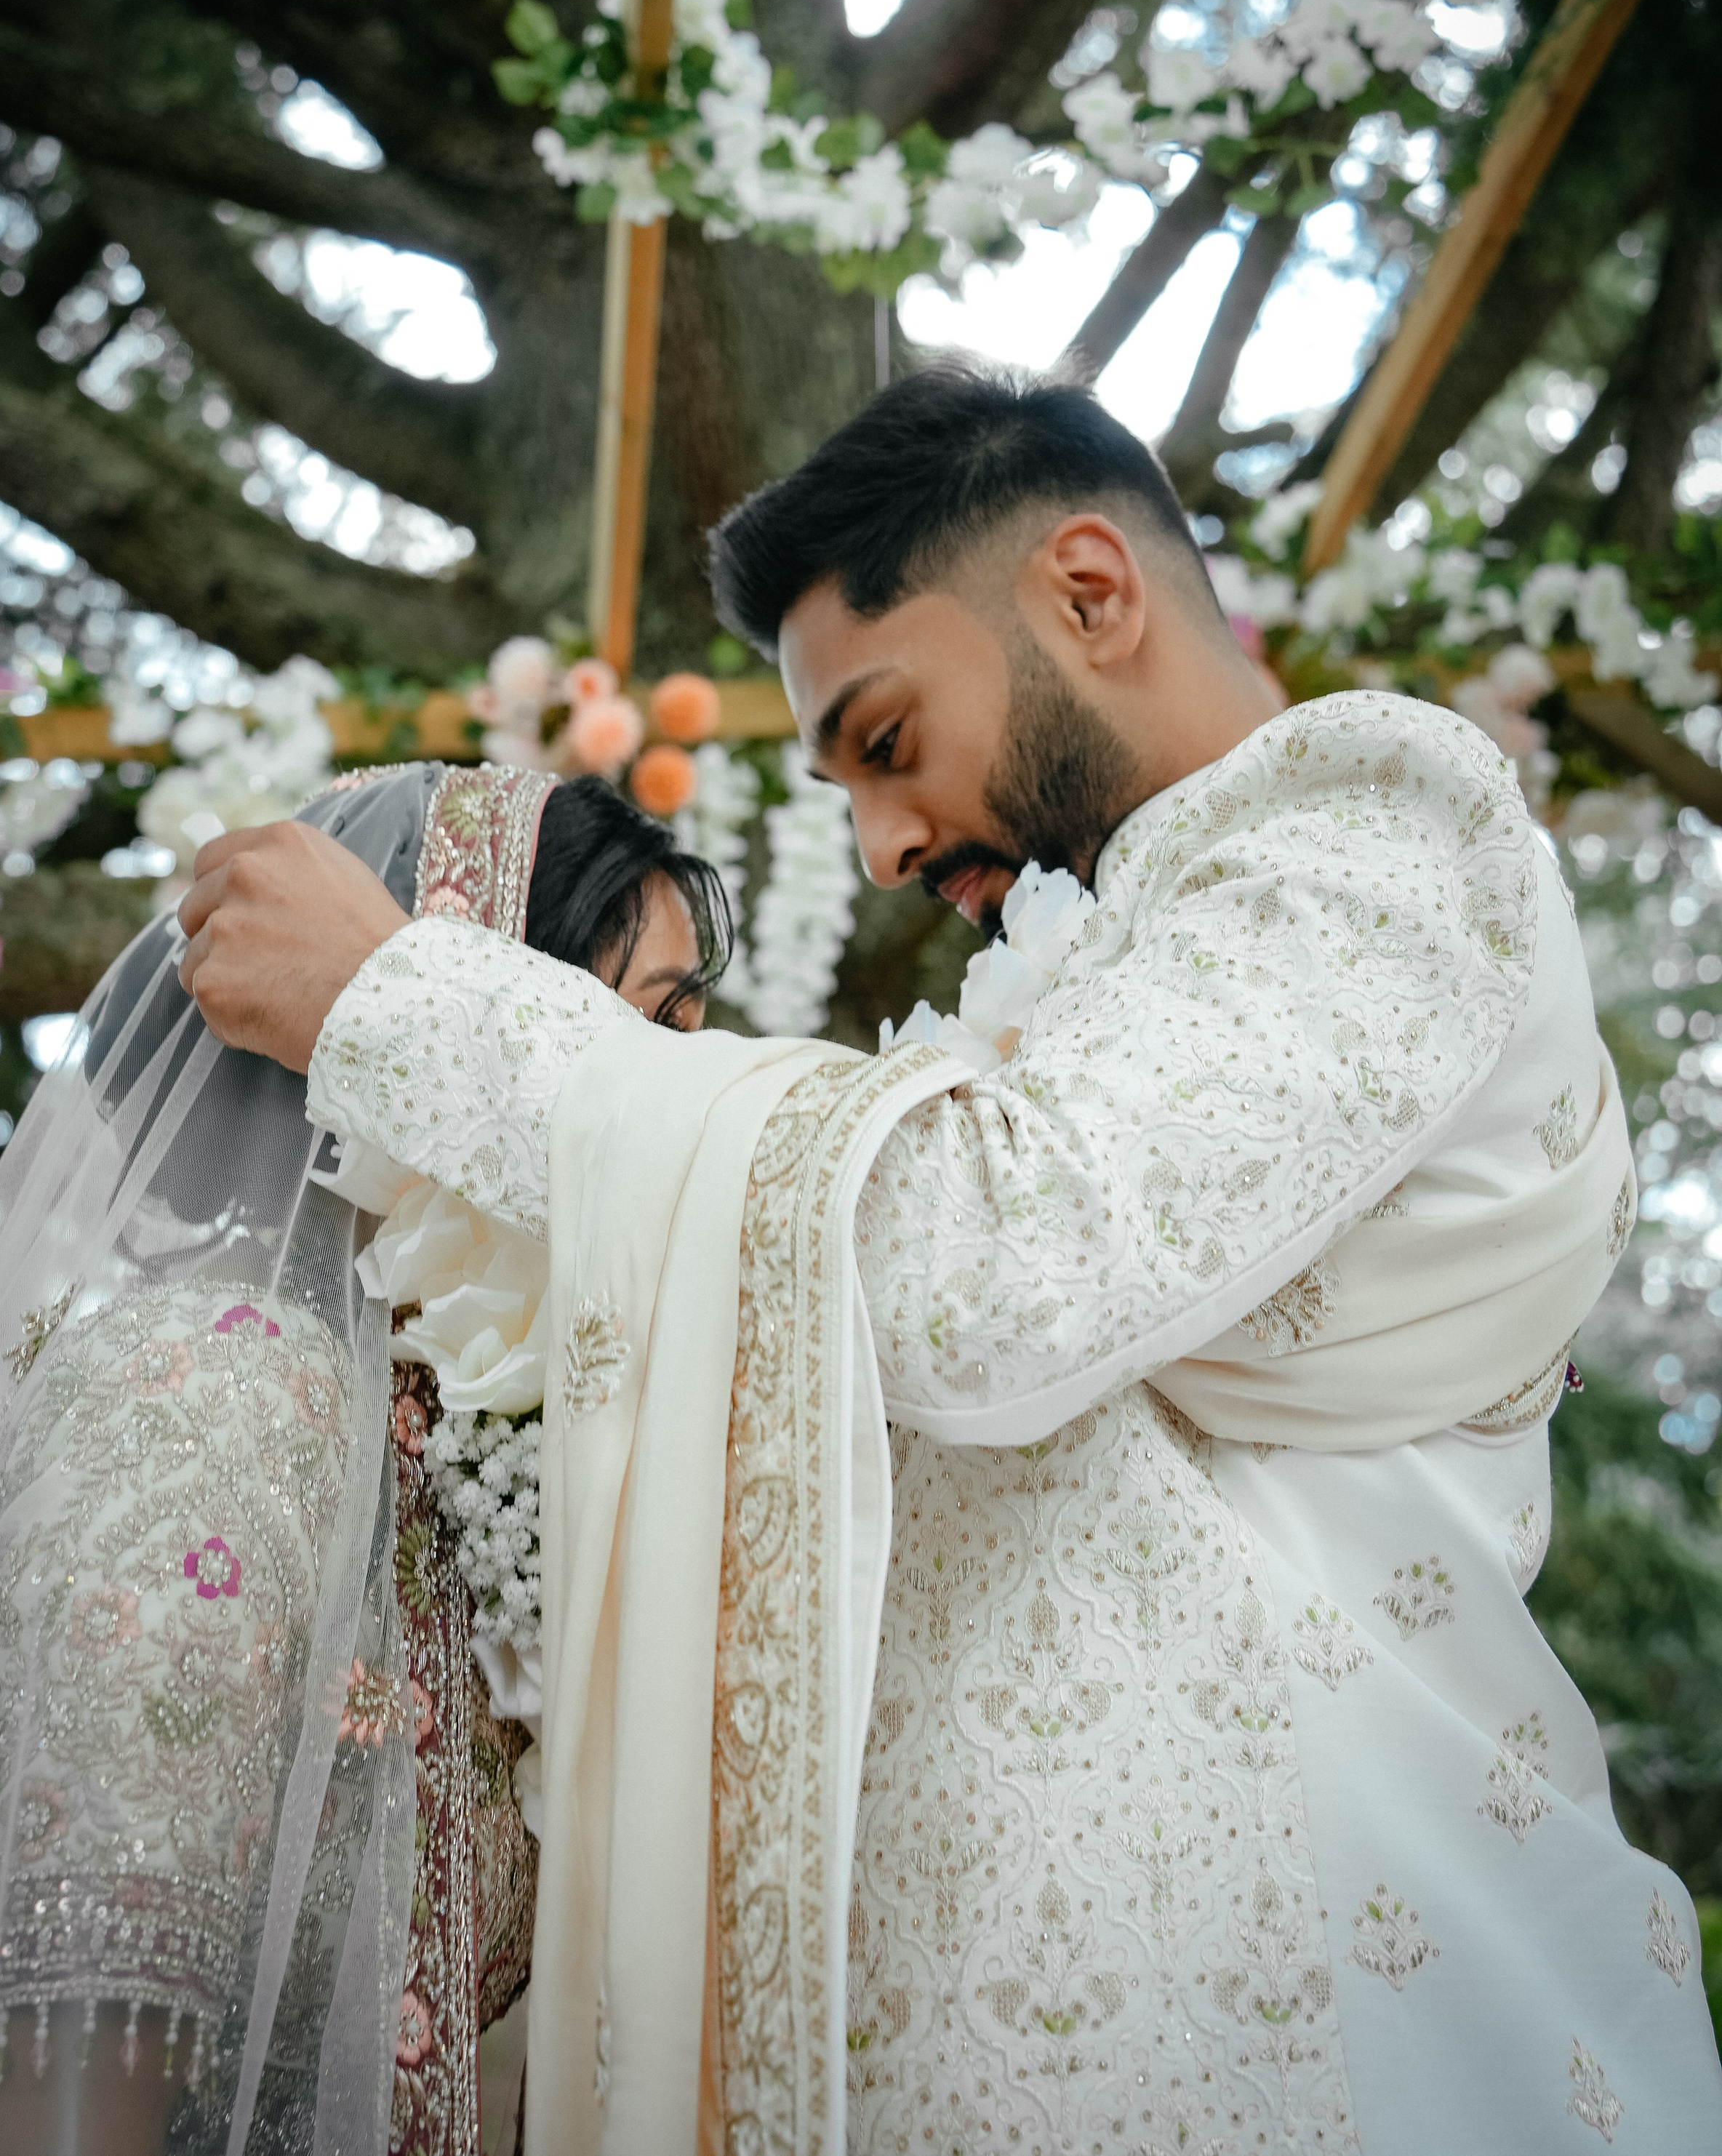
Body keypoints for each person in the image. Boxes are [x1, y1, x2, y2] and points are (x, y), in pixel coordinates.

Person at [175, 364, 1722, 2154]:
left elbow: (983, 1274)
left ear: (1088, 589)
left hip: (1318, 1991)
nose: (887, 844)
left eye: (887, 742)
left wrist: (409, 1002)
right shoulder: (1127, 955)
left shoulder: (1369, 828)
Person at [0, 759, 727, 2156]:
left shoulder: (471, 1475)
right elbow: (55, 2085)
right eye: (643, 1030)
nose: (683, 1102)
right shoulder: (210, 1401)